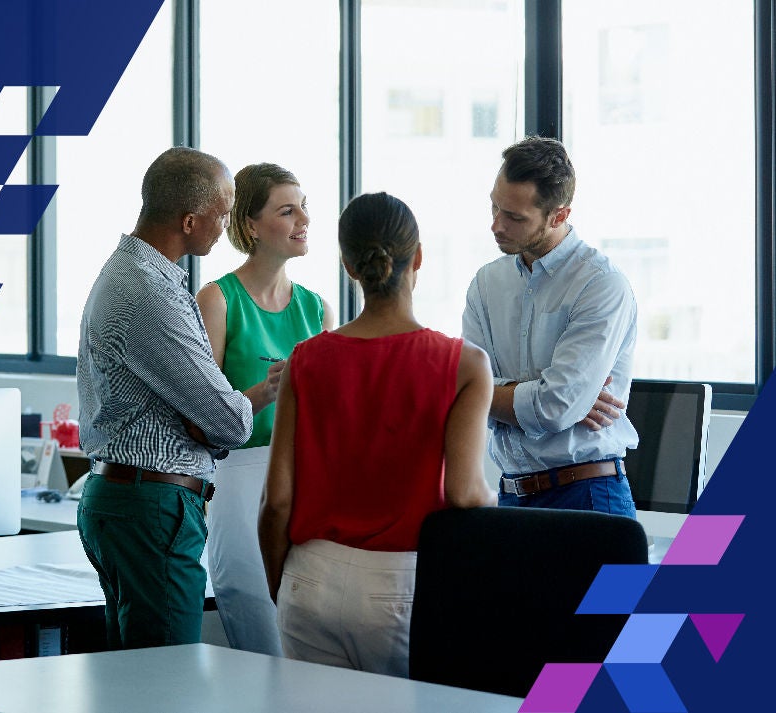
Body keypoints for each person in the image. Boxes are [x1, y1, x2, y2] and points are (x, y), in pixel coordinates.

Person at [259, 192, 495, 677]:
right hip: (401, 584)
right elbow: (465, 493)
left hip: (310, 577)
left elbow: (277, 500)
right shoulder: (465, 365)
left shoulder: (305, 359)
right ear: (420, 259)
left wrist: (281, 583)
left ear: (348, 265)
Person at [77, 146, 256, 649]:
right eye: (222, 214)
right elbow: (227, 421)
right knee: (167, 681)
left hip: (127, 499)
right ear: (188, 219)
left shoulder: (132, 272)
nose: (225, 227)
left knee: (133, 681)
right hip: (152, 506)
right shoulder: (149, 291)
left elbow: (208, 416)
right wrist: (239, 405)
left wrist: (211, 415)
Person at [196, 163, 334, 657]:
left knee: (310, 632)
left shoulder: (317, 308)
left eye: (304, 207)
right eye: (287, 209)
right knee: (258, 623)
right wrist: (267, 390)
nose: (304, 220)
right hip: (239, 478)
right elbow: (203, 414)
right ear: (251, 225)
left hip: (309, 481)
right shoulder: (216, 299)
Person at [461, 136, 639, 517]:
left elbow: (554, 408)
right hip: (512, 494)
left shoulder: (601, 284)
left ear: (559, 215)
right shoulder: (485, 283)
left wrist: (484, 392)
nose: (496, 225)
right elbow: (462, 387)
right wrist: (554, 396)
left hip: (589, 495)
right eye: (495, 206)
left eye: (514, 217)